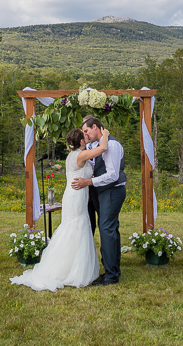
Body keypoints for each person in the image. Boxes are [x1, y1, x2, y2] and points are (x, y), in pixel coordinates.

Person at [10, 128, 109, 291]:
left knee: (77, 227)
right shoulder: (79, 155)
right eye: (84, 136)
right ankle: (69, 271)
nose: (87, 136)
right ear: (82, 142)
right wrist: (105, 134)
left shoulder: (73, 155)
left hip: (76, 195)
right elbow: (103, 148)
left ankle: (73, 266)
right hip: (75, 197)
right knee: (75, 228)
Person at [71, 116, 126, 286]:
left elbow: (112, 175)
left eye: (86, 131)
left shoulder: (112, 145)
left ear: (95, 127)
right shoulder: (95, 145)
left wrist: (88, 182)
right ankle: (112, 269)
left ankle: (111, 275)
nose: (85, 135)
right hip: (102, 191)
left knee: (106, 228)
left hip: (112, 190)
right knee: (109, 228)